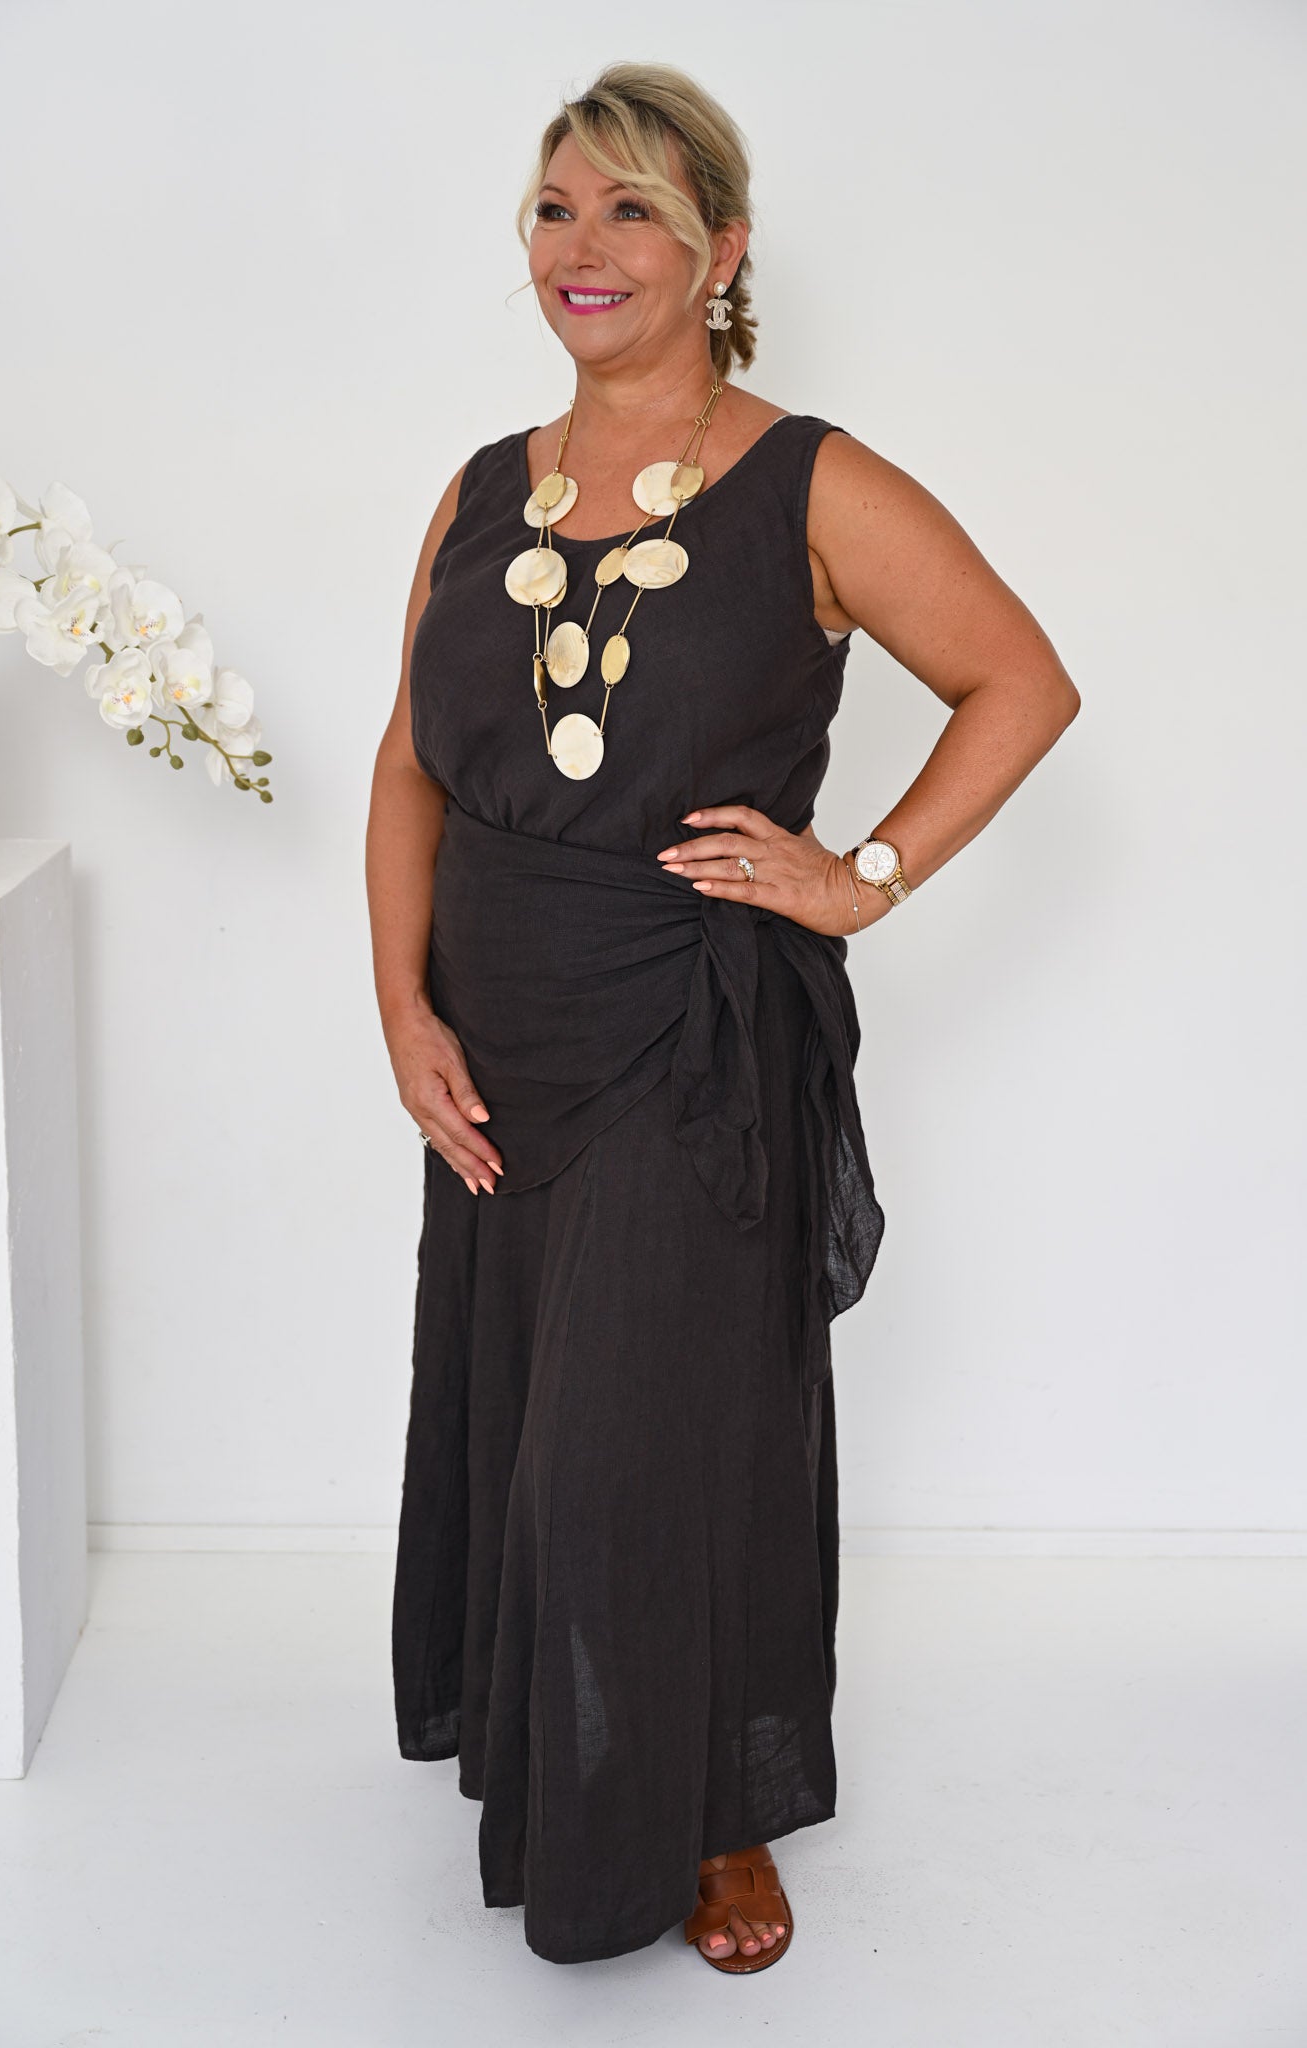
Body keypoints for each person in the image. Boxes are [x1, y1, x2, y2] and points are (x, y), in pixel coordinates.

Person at [364, 60, 1080, 1972]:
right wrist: (398, 1003)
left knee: (659, 1433)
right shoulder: (479, 490)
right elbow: (410, 762)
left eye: (632, 211)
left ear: (721, 251)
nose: (581, 248)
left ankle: (715, 1809)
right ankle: (563, 1753)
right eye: (554, 208)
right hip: (499, 1030)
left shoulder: (809, 483)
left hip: (684, 1036)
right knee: (533, 1418)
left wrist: (863, 876)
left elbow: (1019, 680)